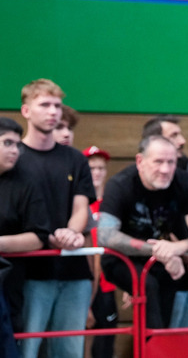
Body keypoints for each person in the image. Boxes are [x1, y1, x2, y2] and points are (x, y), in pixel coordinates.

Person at [98, 135, 188, 330]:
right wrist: (159, 251)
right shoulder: (120, 184)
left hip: (166, 259)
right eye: (158, 162)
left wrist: (176, 249)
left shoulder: (185, 182)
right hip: (122, 259)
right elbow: (106, 235)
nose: (165, 169)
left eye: (171, 162)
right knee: (147, 285)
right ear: (140, 161)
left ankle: (161, 345)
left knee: (174, 288)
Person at [16, 79, 96, 358]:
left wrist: (72, 233)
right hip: (30, 273)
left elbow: (80, 207)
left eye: (57, 106)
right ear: (26, 111)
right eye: (45, 105)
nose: (53, 112)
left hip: (73, 271)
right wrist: (48, 238)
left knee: (69, 351)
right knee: (26, 348)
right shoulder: (15, 158)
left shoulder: (75, 159)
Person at [0, 117, 49, 358]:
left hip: (9, 282)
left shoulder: (26, 182)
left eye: (17, 145)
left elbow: (39, 236)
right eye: (7, 143)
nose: (14, 150)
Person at [83, 145, 117, 358]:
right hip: (84, 281)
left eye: (100, 168)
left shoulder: (112, 205)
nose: (96, 172)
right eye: (92, 167)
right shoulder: (79, 205)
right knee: (81, 337)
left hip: (108, 282)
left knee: (106, 340)